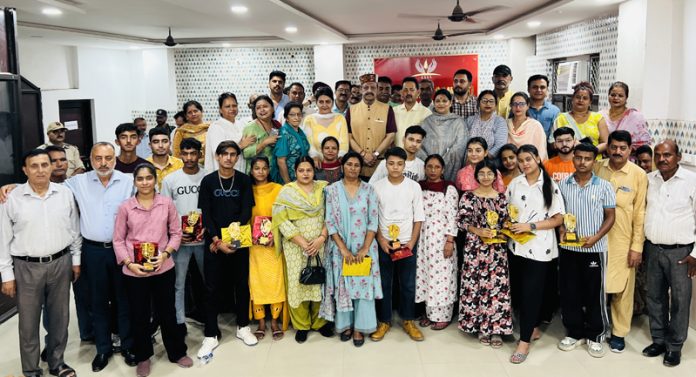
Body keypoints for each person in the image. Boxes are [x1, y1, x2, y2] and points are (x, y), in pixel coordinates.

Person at [0, 149, 82, 377]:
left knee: (60, 318)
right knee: (28, 323)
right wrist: (7, 275)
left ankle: (57, 363)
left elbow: (74, 229)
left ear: (50, 167)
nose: (40, 170)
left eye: (44, 165)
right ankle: (31, 369)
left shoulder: (64, 194)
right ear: (25, 170)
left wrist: (75, 261)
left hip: (61, 262)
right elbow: (3, 240)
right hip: (26, 267)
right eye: (34, 166)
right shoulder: (11, 199)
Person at [113, 163, 192, 375]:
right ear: (135, 181)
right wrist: (129, 263)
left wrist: (165, 254)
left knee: (167, 312)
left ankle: (176, 352)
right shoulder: (126, 207)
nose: (145, 182)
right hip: (134, 271)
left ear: (155, 180)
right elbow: (118, 240)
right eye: (140, 179)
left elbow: (176, 233)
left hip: (163, 267)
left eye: (149, 178)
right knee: (139, 315)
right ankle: (143, 356)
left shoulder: (166, 204)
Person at [67, 143, 135, 372]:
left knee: (124, 299)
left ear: (115, 159)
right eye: (98, 158)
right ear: (91, 160)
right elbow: (48, 186)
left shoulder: (128, 181)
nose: (103, 163)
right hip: (93, 251)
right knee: (97, 302)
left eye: (108, 158)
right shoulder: (79, 182)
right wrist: (11, 186)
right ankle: (103, 348)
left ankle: (127, 345)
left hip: (122, 250)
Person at [197, 141, 258, 360]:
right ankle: (211, 334)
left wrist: (233, 239)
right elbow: (206, 213)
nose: (229, 158)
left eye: (233, 154)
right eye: (225, 154)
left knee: (242, 285)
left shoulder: (243, 180)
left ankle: (243, 326)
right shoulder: (208, 181)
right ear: (218, 156)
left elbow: (245, 211)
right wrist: (217, 240)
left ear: (237, 157)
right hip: (214, 244)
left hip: (239, 241)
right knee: (212, 288)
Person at [506, 144, 565, 363]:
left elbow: (558, 219)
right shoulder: (515, 183)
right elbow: (507, 210)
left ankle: (524, 343)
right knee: (519, 292)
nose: (524, 164)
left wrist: (529, 226)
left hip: (540, 249)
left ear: (538, 159)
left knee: (532, 294)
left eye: (528, 159)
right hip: (516, 247)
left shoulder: (549, 185)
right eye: (520, 161)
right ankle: (532, 328)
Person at [557, 142, 616, 358]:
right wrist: (562, 230)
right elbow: (559, 215)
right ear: (573, 158)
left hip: (595, 249)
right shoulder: (563, 185)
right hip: (569, 249)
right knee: (569, 291)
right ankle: (574, 332)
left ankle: (596, 335)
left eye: (587, 158)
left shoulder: (604, 186)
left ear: (594, 161)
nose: (582, 162)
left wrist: (597, 237)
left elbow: (611, 216)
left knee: (594, 294)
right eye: (579, 157)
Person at [642, 140, 696, 367]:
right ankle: (659, 340)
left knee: (680, 301)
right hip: (653, 249)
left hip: (681, 253)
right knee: (654, 297)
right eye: (658, 155)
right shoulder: (649, 180)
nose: (662, 159)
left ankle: (675, 347)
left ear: (678, 157)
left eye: (668, 155)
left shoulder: (691, 181)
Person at [321, 152, 383, 347]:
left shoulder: (369, 190)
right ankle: (346, 324)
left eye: (357, 165)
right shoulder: (331, 191)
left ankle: (360, 327)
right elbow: (329, 221)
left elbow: (374, 221)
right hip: (341, 249)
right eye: (349, 164)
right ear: (342, 166)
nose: (353, 168)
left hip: (365, 248)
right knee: (344, 286)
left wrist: (365, 247)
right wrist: (344, 250)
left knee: (363, 287)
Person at [593, 130, 647, 353]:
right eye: (613, 147)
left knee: (622, 289)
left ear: (630, 150)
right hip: (595, 238)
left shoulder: (638, 174)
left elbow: (640, 213)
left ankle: (619, 332)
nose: (617, 152)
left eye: (622, 148)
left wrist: (637, 247)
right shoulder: (598, 168)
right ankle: (597, 327)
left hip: (623, 241)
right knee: (596, 285)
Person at [272, 157, 334, 343]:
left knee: (318, 282)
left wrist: (321, 238)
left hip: (320, 244)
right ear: (295, 171)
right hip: (295, 246)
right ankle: (301, 325)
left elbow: (331, 214)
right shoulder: (286, 192)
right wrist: (302, 243)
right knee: (298, 284)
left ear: (314, 171)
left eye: (309, 170)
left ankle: (319, 322)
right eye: (301, 170)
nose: (305, 173)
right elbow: (281, 220)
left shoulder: (324, 189)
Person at [370, 147, 425, 342]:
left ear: (404, 165)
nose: (395, 167)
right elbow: (373, 217)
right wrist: (381, 240)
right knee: (384, 283)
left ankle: (408, 319)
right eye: (391, 163)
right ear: (386, 164)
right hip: (384, 243)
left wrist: (412, 241)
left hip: (407, 242)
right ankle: (384, 320)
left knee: (408, 283)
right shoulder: (376, 187)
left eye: (399, 164)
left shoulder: (413, 187)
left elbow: (418, 217)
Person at [457, 159, 513, 346]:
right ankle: (481, 327)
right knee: (477, 286)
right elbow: (461, 221)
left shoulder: (502, 197)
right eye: (482, 173)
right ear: (476, 176)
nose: (486, 177)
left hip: (497, 249)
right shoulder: (468, 197)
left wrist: (506, 227)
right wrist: (478, 231)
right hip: (475, 249)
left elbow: (506, 221)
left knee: (496, 288)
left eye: (490, 173)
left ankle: (496, 329)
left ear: (495, 176)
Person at [160, 138, 207, 333]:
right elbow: (165, 211)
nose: (189, 158)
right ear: (180, 154)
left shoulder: (208, 176)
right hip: (180, 241)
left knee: (208, 283)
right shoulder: (170, 180)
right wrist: (177, 233)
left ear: (199, 154)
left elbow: (212, 207)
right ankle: (179, 323)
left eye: (193, 153)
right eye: (185, 154)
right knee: (178, 284)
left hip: (205, 239)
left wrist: (208, 228)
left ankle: (209, 320)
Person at [415, 154, 458, 330]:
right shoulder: (419, 187)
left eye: (437, 167)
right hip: (423, 237)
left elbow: (454, 216)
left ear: (443, 169)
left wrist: (450, 240)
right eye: (429, 167)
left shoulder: (449, 188)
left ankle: (444, 315)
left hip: (442, 237)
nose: (433, 171)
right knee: (426, 274)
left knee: (443, 276)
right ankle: (429, 313)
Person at [248, 156, 288, 341]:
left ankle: (274, 321)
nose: (261, 172)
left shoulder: (279, 189)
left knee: (275, 282)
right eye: (257, 168)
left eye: (264, 168)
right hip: (254, 246)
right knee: (257, 284)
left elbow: (284, 216)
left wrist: (276, 236)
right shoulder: (247, 190)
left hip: (274, 245)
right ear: (251, 170)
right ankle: (261, 321)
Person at [346, 74, 397, 180]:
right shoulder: (351, 110)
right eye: (365, 87)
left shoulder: (387, 109)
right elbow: (348, 136)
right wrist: (363, 154)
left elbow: (391, 135)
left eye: (373, 87)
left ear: (377, 89)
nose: (369, 90)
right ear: (360, 89)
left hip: (380, 165)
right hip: (357, 165)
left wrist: (375, 154)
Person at [417, 89, 469, 182]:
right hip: (429, 167)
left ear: (450, 103)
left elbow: (459, 146)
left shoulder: (458, 122)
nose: (441, 103)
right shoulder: (426, 122)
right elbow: (419, 145)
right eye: (438, 101)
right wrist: (431, 163)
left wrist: (442, 164)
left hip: (452, 166)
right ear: (433, 103)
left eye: (444, 101)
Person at [549, 81, 609, 155]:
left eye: (585, 98)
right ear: (572, 99)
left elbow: (606, 143)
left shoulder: (598, 118)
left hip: (593, 161)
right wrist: (567, 146)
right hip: (567, 161)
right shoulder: (561, 118)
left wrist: (590, 151)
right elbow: (552, 143)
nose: (581, 100)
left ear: (590, 102)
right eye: (578, 97)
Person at [205, 92, 256, 173]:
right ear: (220, 110)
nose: (232, 109)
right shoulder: (216, 127)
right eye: (227, 106)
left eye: (234, 105)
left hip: (241, 171)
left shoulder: (241, 124)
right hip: (223, 173)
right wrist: (241, 145)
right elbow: (219, 152)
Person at [601, 81, 653, 155]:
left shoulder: (635, 117)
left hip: (629, 159)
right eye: (613, 95)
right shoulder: (601, 115)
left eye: (620, 95)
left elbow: (644, 143)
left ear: (626, 97)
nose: (616, 98)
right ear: (608, 96)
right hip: (603, 159)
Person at [303, 86, 349, 163]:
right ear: (316, 102)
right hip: (316, 163)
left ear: (332, 102)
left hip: (337, 163)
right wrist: (314, 157)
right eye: (321, 102)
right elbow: (308, 143)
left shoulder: (340, 118)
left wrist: (340, 158)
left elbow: (344, 143)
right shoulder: (309, 119)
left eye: (327, 101)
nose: (324, 105)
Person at [272, 102, 310, 184]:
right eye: (292, 115)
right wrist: (288, 184)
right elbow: (281, 161)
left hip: (302, 176)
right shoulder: (284, 134)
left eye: (299, 114)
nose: (296, 117)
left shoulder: (300, 131)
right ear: (286, 117)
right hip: (289, 180)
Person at [242, 95, 281, 173]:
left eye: (265, 106)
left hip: (274, 172)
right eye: (258, 108)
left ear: (272, 108)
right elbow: (246, 153)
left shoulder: (277, 125)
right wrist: (264, 143)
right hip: (256, 174)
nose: (262, 110)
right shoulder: (250, 127)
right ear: (255, 111)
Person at [507, 92, 548, 160]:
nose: (518, 107)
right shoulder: (505, 124)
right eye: (514, 104)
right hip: (509, 164)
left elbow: (541, 151)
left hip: (529, 164)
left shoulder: (535, 125)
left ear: (528, 106)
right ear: (511, 106)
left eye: (522, 104)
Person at [466, 90, 508, 157]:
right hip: (470, 158)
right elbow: (465, 141)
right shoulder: (470, 120)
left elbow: (500, 144)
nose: (488, 104)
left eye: (491, 101)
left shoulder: (499, 121)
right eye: (484, 101)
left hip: (490, 160)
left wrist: (483, 157)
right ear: (479, 103)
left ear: (496, 105)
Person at [394, 77, 432, 148]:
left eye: (412, 90)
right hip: (397, 156)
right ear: (402, 93)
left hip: (417, 156)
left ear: (418, 93)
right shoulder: (394, 111)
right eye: (405, 90)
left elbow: (429, 139)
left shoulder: (426, 113)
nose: (408, 93)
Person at [173, 100, 210, 165]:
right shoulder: (181, 131)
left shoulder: (210, 128)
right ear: (186, 116)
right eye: (189, 112)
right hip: (187, 167)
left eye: (195, 111)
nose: (193, 114)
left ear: (201, 112)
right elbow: (177, 154)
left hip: (209, 166)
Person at [527, 74, 560, 139]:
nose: (539, 90)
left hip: (547, 148)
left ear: (547, 89)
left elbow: (556, 136)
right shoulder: (519, 108)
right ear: (528, 89)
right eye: (535, 87)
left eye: (542, 87)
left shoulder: (554, 111)